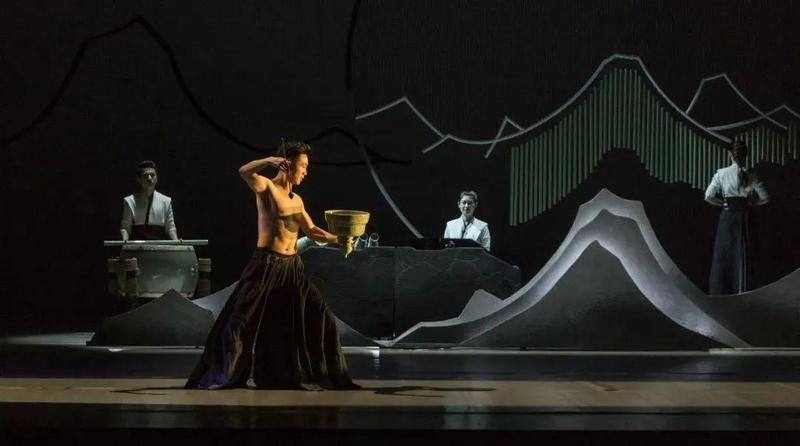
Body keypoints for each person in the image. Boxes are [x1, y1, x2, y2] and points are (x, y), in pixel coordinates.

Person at [186, 141, 359, 390]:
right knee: (239, 320)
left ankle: (325, 375)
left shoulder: (297, 200)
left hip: (292, 268)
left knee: (323, 317)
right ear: (287, 164)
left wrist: (339, 239)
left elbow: (312, 230)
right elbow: (244, 172)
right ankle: (224, 374)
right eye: (303, 165)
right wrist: (269, 160)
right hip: (267, 264)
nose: (306, 171)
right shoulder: (267, 187)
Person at [705, 140, 768, 295]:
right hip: (745, 219)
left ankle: (723, 291)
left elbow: (708, 196)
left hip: (727, 218)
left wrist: (723, 203)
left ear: (730, 155)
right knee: (745, 254)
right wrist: (750, 203)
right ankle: (744, 291)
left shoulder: (721, 174)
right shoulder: (752, 175)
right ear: (746, 155)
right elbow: (765, 198)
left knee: (725, 254)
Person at [120, 160, 178, 241]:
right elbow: (125, 228)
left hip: (159, 245)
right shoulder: (130, 201)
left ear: (157, 178)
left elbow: (171, 227)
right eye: (145, 175)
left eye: (152, 175)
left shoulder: (166, 201)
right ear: (139, 179)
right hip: (138, 245)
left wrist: (177, 243)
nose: (150, 178)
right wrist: (125, 243)